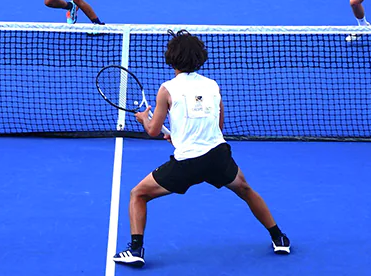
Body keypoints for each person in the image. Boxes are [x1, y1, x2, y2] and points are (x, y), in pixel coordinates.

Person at [112, 30, 290, 268]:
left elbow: (153, 130)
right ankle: (279, 237)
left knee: (138, 194)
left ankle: (135, 249)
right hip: (218, 157)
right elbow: (217, 127)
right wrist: (179, 139)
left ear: (171, 58)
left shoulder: (167, 89)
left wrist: (144, 118)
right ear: (199, 58)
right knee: (246, 190)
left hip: (187, 163)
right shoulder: (212, 85)